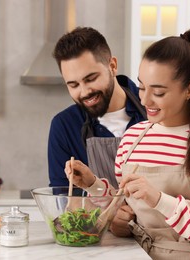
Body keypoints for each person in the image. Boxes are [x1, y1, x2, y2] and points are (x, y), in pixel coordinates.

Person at [64, 29, 190, 259]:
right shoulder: (133, 139)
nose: (144, 100)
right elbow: (122, 203)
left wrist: (161, 200)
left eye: (158, 92)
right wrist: (93, 184)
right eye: (142, 87)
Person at [48, 27, 146, 188]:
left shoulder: (154, 109)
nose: (84, 92)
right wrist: (108, 210)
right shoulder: (64, 125)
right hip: (97, 215)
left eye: (91, 79)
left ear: (112, 66)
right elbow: (63, 196)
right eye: (73, 85)